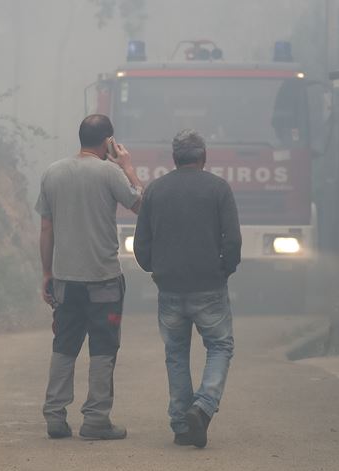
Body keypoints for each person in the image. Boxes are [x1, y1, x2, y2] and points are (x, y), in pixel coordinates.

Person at [35, 114, 143, 440]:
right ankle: (96, 419)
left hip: (66, 279)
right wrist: (128, 167)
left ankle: (55, 416)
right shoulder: (110, 172)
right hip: (104, 279)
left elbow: (46, 227)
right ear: (108, 141)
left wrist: (47, 273)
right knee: (103, 348)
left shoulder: (53, 173)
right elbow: (141, 205)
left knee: (64, 345)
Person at [133, 129, 241, 449]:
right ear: (203, 157)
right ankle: (203, 406)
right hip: (209, 285)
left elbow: (142, 245)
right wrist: (224, 269)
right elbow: (232, 241)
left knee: (176, 354)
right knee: (220, 347)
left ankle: (182, 426)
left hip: (169, 288)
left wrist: (156, 268)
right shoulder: (218, 189)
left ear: (174, 158)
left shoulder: (156, 190)